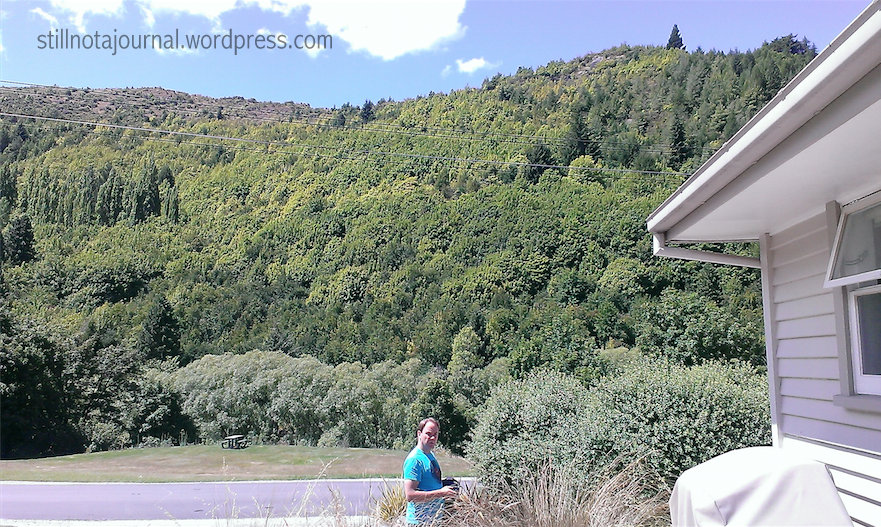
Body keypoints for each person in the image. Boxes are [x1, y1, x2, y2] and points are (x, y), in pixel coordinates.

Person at [402, 417, 458, 525]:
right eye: (428, 434)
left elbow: (428, 482)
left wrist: (445, 485)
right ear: (419, 434)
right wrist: (441, 493)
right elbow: (410, 495)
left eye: (435, 434)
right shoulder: (414, 460)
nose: (432, 438)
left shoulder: (429, 455)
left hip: (433, 520)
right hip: (419, 522)